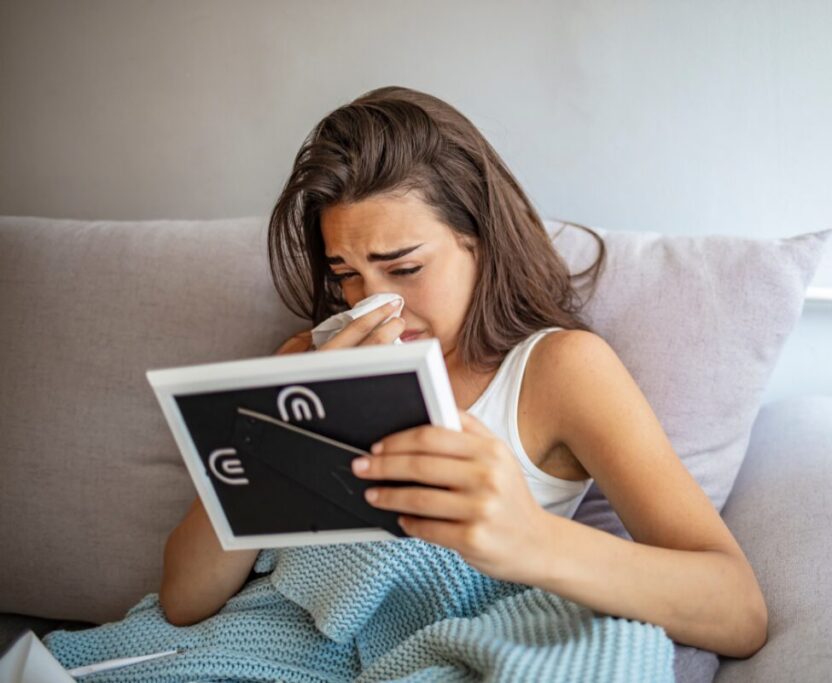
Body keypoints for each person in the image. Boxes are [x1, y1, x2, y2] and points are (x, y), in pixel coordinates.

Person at [158, 85, 768, 658]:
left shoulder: (559, 373)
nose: (373, 306)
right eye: (347, 275)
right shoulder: (306, 362)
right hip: (276, 643)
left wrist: (529, 539)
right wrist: (280, 423)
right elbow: (185, 601)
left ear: (478, 237)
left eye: (403, 267)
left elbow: (737, 609)